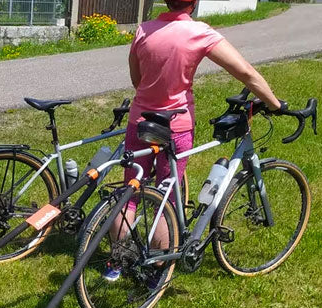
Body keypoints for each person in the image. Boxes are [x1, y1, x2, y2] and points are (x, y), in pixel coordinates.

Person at [104, 0, 284, 282]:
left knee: (131, 192)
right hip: (175, 125)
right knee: (166, 197)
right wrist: (273, 103)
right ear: (194, 2)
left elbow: (136, 79)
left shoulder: (144, 30)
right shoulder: (198, 32)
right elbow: (245, 72)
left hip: (139, 121)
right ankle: (157, 269)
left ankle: (116, 263)